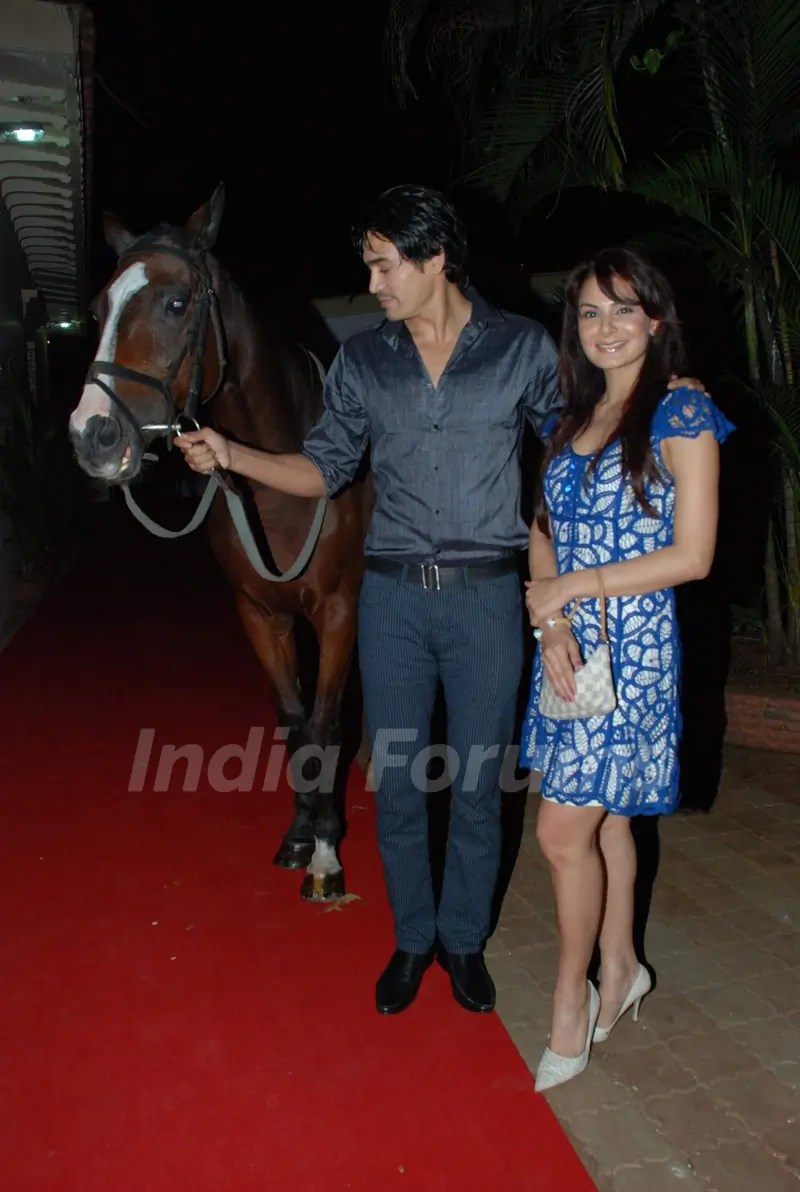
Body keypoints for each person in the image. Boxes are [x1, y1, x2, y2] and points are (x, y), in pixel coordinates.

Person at [175, 185, 702, 1019]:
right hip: (389, 602)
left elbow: (572, 451)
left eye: (385, 265)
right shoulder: (363, 363)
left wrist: (661, 394)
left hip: (489, 600)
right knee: (397, 782)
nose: (375, 283)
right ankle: (412, 937)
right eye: (370, 266)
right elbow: (323, 470)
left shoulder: (521, 350)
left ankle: (463, 942)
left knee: (479, 784)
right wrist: (233, 453)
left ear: (435, 259)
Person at [519, 246, 734, 1091]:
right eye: (590, 313)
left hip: (637, 653)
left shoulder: (682, 417)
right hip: (571, 649)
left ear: (655, 320)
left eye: (623, 310)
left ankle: (569, 1000)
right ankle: (622, 967)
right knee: (605, 822)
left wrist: (578, 584)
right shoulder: (567, 422)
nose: (606, 328)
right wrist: (553, 617)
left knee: (559, 831)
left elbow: (695, 555)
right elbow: (541, 528)